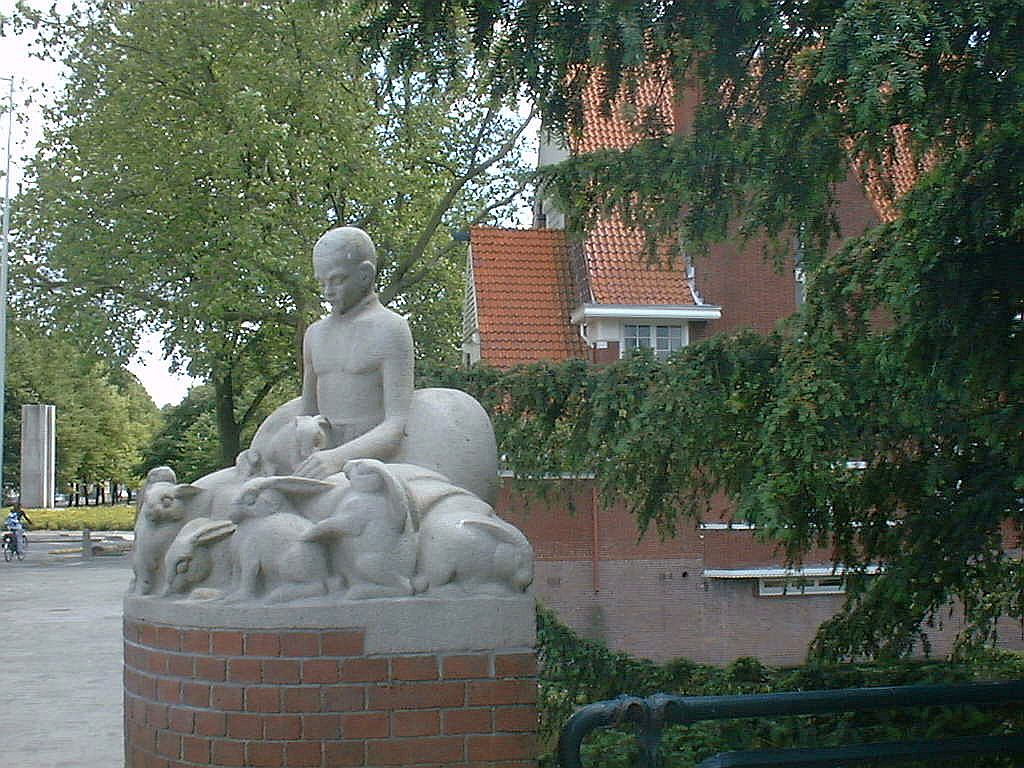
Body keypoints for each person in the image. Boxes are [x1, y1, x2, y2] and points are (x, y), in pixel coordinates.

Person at [293, 227, 415, 480]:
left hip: (370, 466)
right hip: (318, 459)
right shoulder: (314, 334)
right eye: (321, 282)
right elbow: (307, 411)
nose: (327, 291)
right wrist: (305, 429)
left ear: (364, 275)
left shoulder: (390, 329)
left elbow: (396, 426)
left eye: (337, 280)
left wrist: (337, 459)